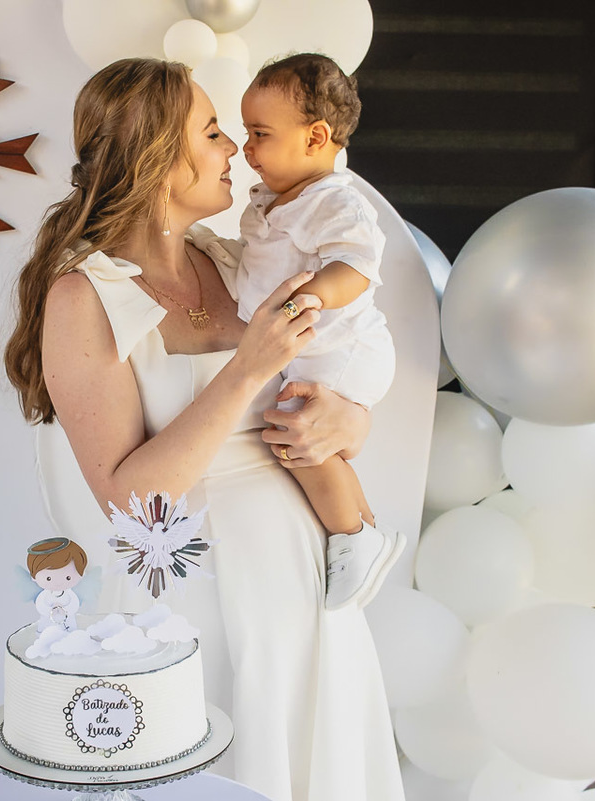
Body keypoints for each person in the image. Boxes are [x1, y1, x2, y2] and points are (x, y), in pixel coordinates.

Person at [4, 58, 404, 801]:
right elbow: (128, 502)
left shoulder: (232, 262)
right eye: (214, 131)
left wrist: (353, 417)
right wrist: (246, 368)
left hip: (303, 582)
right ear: (159, 157)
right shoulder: (83, 297)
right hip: (193, 601)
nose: (234, 150)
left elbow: (321, 375)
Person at [238, 53, 405, 611]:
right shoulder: (275, 199)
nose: (246, 149)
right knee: (313, 443)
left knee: (294, 433)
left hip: (342, 347)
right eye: (245, 133)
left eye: (260, 134)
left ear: (315, 137)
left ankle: (352, 539)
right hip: (313, 348)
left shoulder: (335, 200)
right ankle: (365, 531)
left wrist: (311, 296)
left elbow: (356, 265)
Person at [27, 537, 88, 632]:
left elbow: (74, 605)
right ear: (33, 577)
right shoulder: (44, 595)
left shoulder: (70, 594)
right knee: (46, 632)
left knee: (70, 631)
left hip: (68, 623)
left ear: (81, 574)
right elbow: (40, 606)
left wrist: (65, 610)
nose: (58, 583)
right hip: (48, 624)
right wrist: (52, 610)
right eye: (48, 578)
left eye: (68, 577)